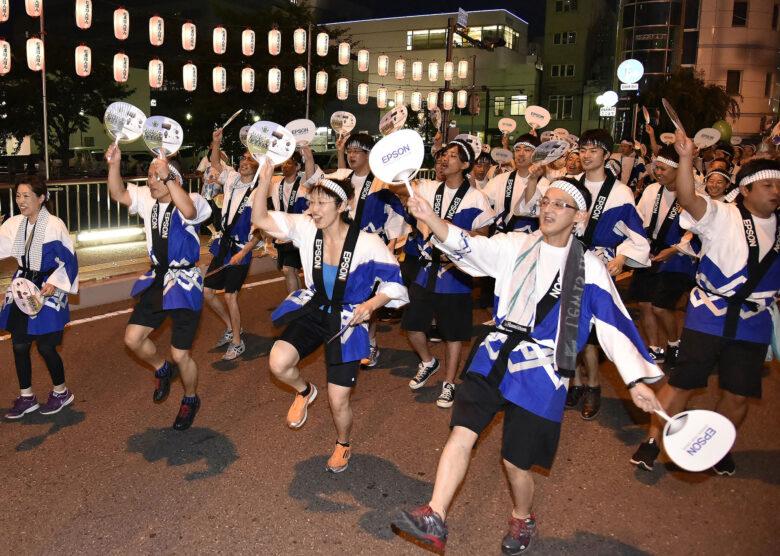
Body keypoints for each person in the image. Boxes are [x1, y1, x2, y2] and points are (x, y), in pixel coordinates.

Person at [392, 177, 663, 554]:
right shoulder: (514, 244)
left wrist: (635, 380)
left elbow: (615, 325)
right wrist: (432, 219)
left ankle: (523, 517)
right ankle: (435, 514)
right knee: (462, 431)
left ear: (579, 217)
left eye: (559, 205)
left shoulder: (589, 268)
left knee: (515, 462)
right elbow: (468, 245)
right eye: (544, 202)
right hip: (495, 353)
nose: (548, 210)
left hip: (544, 370)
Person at [631, 143, 780, 476]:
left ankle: (719, 444)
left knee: (738, 393)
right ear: (745, 189)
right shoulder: (721, 214)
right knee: (682, 383)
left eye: (779, 185)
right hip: (708, 315)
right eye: (768, 184)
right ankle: (654, 439)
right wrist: (685, 158)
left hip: (754, 322)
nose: (775, 191)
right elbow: (687, 198)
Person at [251, 161, 408, 473]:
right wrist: (266, 179)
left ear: (342, 206)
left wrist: (372, 305)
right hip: (315, 307)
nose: (313, 208)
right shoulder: (307, 229)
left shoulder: (368, 243)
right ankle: (305, 391)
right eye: (311, 201)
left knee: (339, 402)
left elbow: (396, 284)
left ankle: (343, 443)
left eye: (321, 202)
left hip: (348, 320)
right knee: (278, 362)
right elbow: (259, 218)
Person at [524, 129, 651, 419]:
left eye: (594, 149)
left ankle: (593, 385)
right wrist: (533, 177)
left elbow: (639, 238)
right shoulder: (568, 185)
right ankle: (576, 382)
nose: (586, 154)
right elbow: (536, 210)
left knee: (592, 332)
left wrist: (623, 256)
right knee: (565, 324)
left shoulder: (620, 192)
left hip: (598, 264)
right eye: (583, 148)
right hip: (565, 259)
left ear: (607, 156)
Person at [106, 144, 211, 431]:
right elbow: (117, 193)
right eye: (150, 176)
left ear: (170, 177)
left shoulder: (194, 199)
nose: (149, 181)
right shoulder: (146, 198)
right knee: (132, 339)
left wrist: (168, 178)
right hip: (157, 278)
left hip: (185, 283)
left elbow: (189, 211)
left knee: (181, 353)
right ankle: (162, 369)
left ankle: (190, 399)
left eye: (155, 176)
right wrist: (114, 164)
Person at [401, 140, 495, 408]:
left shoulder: (476, 197)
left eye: (452, 156)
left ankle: (449, 382)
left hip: (455, 273)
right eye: (443, 154)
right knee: (413, 325)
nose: (444, 159)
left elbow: (485, 235)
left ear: (465, 165)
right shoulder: (429, 188)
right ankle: (428, 362)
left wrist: (454, 232)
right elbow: (400, 190)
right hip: (426, 268)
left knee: (453, 333)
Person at [303, 133, 408, 368]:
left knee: (367, 298)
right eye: (348, 151)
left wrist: (390, 249)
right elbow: (312, 180)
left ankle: (370, 342)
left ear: (369, 154)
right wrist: (308, 156)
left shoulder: (383, 183)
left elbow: (395, 218)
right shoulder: (341, 177)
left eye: (356, 151)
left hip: (368, 252)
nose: (351, 155)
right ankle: (345, 336)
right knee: (345, 296)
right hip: (340, 248)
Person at [1, 178, 79, 419]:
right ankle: (27, 397)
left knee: (46, 347)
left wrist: (54, 283)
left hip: (47, 287)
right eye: (17, 196)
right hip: (23, 287)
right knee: (20, 344)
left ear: (41, 198)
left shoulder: (55, 225)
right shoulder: (14, 224)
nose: (20, 201)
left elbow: (70, 260)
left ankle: (61, 392)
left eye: (26, 196)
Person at [628, 146, 698, 367]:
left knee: (661, 306)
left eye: (663, 168)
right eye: (656, 167)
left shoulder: (695, 194)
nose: (657, 171)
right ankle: (654, 348)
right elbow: (638, 218)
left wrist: (676, 249)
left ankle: (675, 344)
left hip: (677, 256)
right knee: (645, 305)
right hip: (650, 253)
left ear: (680, 169)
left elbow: (698, 231)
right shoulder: (651, 191)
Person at [201, 128, 262, 360]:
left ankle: (237, 342)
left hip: (241, 249)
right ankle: (231, 327)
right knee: (207, 291)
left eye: (249, 159)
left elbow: (258, 232)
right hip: (224, 244)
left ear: (257, 167)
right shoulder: (232, 178)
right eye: (243, 158)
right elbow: (216, 163)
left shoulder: (257, 193)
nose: (244, 161)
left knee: (230, 295)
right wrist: (216, 143)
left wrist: (243, 253)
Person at [483, 134, 543, 234]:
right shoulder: (500, 179)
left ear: (536, 154)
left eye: (527, 150)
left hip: (528, 243)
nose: (521, 153)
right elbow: (481, 201)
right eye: (518, 149)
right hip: (501, 240)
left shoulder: (544, 183)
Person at [268, 150, 308, 295]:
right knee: (291, 271)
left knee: (288, 269)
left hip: (299, 234)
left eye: (289, 163)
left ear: (298, 167)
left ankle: (294, 304)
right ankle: (300, 301)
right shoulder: (275, 184)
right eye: (283, 162)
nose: (284, 165)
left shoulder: (304, 185)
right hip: (283, 234)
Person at [196, 147, 227, 240]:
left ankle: (217, 236)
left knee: (217, 216)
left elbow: (225, 181)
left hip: (217, 195)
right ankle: (213, 232)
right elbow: (203, 179)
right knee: (204, 214)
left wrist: (215, 180)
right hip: (206, 194)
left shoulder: (224, 168)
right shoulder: (208, 168)